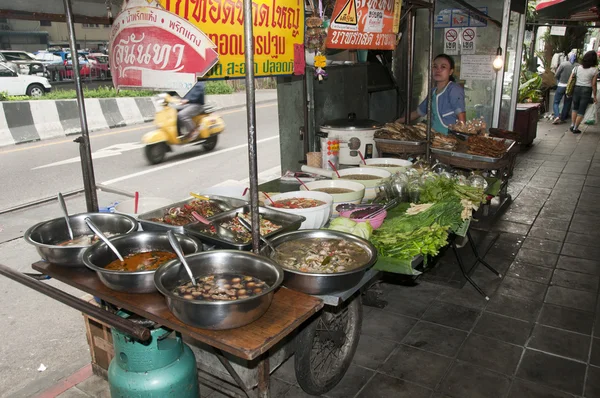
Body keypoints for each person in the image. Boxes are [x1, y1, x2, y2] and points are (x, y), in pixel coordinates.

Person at [410, 54, 466, 134]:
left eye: (443, 67)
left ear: (450, 71)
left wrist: (460, 138)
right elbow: (418, 112)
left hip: (449, 138)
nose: (438, 70)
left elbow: (461, 116)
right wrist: (398, 121)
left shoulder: (453, 89)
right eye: (435, 66)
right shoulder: (432, 92)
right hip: (434, 137)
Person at [569, 51, 598, 134]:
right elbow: (593, 84)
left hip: (576, 89)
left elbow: (571, 79)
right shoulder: (594, 70)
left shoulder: (577, 68)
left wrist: (569, 90)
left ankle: (572, 124)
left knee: (575, 108)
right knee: (582, 110)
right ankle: (575, 128)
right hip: (587, 90)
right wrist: (595, 96)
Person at [552, 52, 577, 124]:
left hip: (561, 86)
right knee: (567, 103)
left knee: (556, 102)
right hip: (571, 87)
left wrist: (560, 79)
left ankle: (556, 116)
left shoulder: (563, 64)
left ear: (568, 57)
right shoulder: (578, 66)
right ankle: (563, 118)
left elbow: (556, 75)